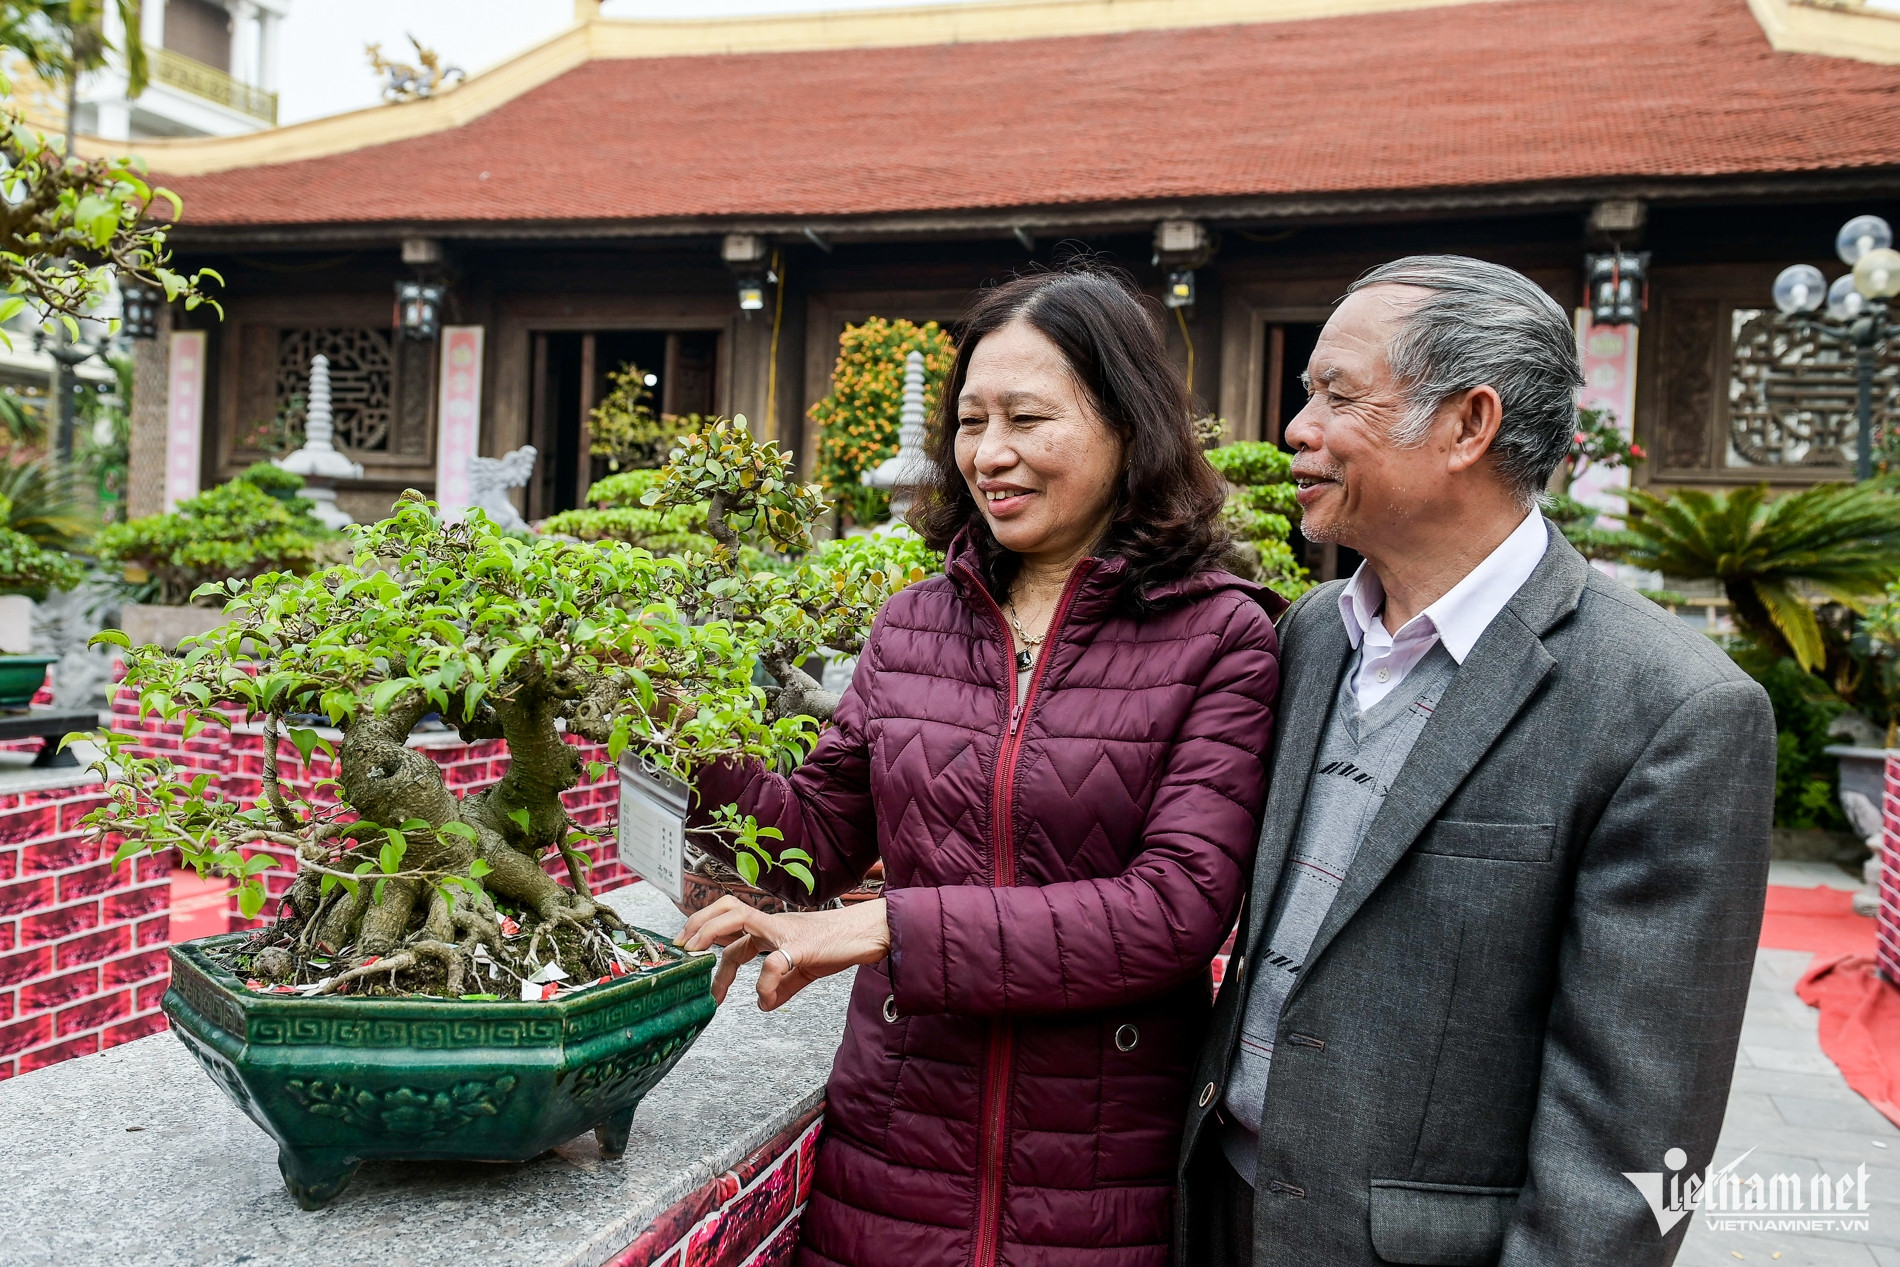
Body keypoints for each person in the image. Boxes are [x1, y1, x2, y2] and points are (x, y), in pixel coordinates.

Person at [1178, 255, 1776, 1267]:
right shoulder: (1309, 635)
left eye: (1336, 393)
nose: (1297, 427)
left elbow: (1631, 1126)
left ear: (1468, 424)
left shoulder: (1672, 708)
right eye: (1304, 392)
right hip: (1218, 1211)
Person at [680, 267, 1284, 1267]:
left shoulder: (1220, 636)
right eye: (970, 421)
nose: (989, 455)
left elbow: (1174, 908)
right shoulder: (915, 621)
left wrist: (890, 923)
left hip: (1101, 1187)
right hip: (892, 1164)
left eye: (1026, 418)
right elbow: (816, 841)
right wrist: (676, 723)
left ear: (1128, 424)